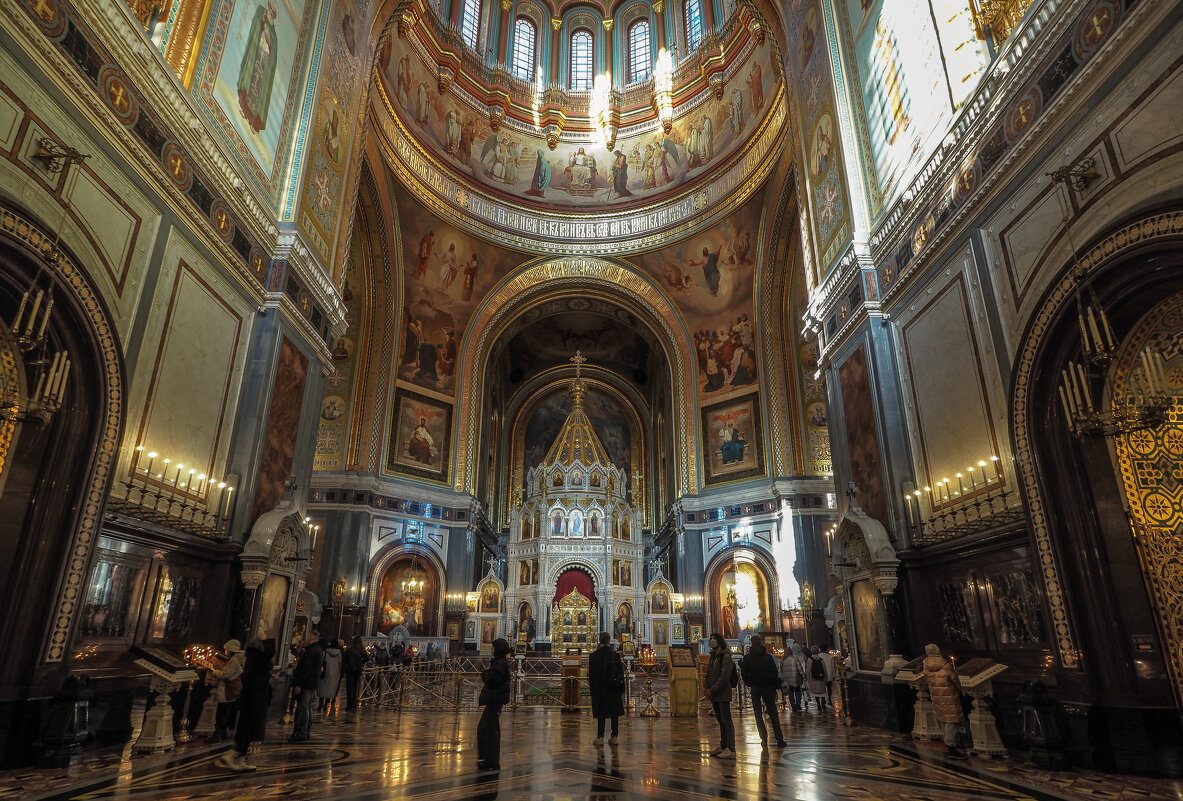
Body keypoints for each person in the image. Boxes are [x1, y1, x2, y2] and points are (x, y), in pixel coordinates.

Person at [218, 637, 275, 772]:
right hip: (255, 699)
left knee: (247, 727)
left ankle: (240, 758)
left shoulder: (252, 658)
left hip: (250, 697)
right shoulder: (261, 660)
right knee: (249, 727)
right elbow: (257, 679)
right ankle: (234, 755)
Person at [922, 643, 969, 760]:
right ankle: (952, 747)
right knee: (952, 721)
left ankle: (950, 743)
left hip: (936, 697)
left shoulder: (925, 665)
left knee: (943, 719)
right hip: (949, 696)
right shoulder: (944, 664)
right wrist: (960, 691)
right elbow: (955, 680)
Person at [741, 635, 786, 748]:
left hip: (755, 688)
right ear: (761, 642)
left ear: (751, 643)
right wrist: (773, 685)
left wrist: (749, 683)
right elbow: (774, 672)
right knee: (773, 713)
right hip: (767, 687)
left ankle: (764, 739)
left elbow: (744, 673)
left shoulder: (747, 658)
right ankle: (779, 739)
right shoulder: (768, 657)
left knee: (758, 714)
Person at [477, 638, 512, 770]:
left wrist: (485, 672)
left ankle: (490, 761)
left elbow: (492, 680)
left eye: (493, 647)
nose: (491, 649)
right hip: (495, 700)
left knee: (489, 731)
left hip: (494, 700)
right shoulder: (500, 662)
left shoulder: (499, 664)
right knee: (487, 730)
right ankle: (489, 760)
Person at [588, 632, 625, 745]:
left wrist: (592, 690)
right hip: (613, 689)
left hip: (600, 689)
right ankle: (614, 736)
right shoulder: (615, 655)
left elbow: (591, 675)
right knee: (614, 713)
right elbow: (620, 673)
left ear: (600, 640)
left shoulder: (593, 656)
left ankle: (600, 737)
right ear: (609, 641)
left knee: (601, 713)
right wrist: (622, 689)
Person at [704, 633, 736, 759]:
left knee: (726, 720)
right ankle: (723, 746)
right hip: (714, 693)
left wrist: (713, 690)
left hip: (722, 693)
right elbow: (708, 673)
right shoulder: (713, 656)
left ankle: (731, 749)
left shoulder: (726, 656)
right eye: (711, 639)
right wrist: (707, 688)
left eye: (714, 639)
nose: (712, 642)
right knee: (720, 720)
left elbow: (724, 677)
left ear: (719, 641)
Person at [207, 639, 245, 743]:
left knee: (222, 712)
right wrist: (218, 666)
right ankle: (222, 733)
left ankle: (218, 734)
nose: (225, 652)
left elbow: (226, 675)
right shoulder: (235, 659)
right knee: (224, 711)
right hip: (230, 691)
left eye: (226, 650)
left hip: (226, 690)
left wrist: (215, 671)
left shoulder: (234, 660)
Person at [289, 629, 324, 742]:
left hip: (307, 683)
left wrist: (299, 683)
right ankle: (305, 730)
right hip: (311, 683)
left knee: (304, 707)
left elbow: (306, 669)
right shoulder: (316, 650)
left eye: (308, 636)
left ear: (311, 637)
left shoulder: (312, 651)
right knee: (307, 707)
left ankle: (302, 732)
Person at [317, 637, 343, 713]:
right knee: (331, 689)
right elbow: (340, 663)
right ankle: (326, 704)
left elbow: (322, 661)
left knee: (323, 688)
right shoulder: (339, 653)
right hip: (335, 673)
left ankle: (321, 703)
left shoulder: (326, 652)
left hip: (326, 672)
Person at [779, 644, 805, 712]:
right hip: (795, 678)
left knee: (790, 692)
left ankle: (793, 706)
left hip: (787, 679)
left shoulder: (782, 660)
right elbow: (800, 668)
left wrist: (782, 679)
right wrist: (804, 676)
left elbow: (781, 671)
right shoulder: (794, 659)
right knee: (798, 691)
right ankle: (798, 704)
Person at [344, 635, 366, 710]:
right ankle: (354, 704)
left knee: (349, 687)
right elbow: (367, 658)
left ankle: (349, 705)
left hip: (350, 669)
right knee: (355, 687)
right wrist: (361, 663)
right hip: (358, 670)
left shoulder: (350, 649)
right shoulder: (361, 649)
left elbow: (345, 659)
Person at [805, 646, 827, 713]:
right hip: (821, 679)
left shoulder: (809, 660)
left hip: (813, 679)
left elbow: (808, 670)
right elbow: (825, 670)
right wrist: (826, 679)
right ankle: (823, 702)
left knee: (816, 693)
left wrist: (808, 680)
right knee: (822, 692)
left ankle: (818, 704)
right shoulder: (821, 659)